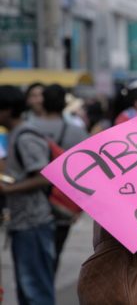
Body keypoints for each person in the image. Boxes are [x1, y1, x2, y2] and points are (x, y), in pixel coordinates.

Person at [0, 85, 55, 305]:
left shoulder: (25, 136)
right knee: (27, 289)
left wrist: (8, 189)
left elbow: (45, 176)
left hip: (33, 223)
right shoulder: (16, 135)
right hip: (22, 222)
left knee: (35, 290)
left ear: (8, 110)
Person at [31, 84, 89, 273]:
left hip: (31, 205)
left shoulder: (28, 129)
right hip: (63, 205)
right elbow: (86, 171)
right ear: (64, 103)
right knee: (54, 255)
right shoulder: (77, 132)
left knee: (33, 262)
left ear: (43, 102)